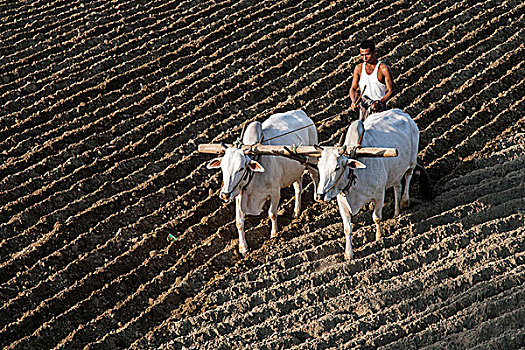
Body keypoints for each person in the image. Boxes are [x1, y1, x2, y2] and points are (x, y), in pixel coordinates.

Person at [350, 39, 395, 121]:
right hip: (364, 108)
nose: (364, 58)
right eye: (362, 55)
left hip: (379, 109)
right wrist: (353, 101)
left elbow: (391, 90)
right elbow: (353, 88)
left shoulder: (383, 69)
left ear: (374, 52)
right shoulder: (359, 68)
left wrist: (379, 102)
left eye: (367, 54)